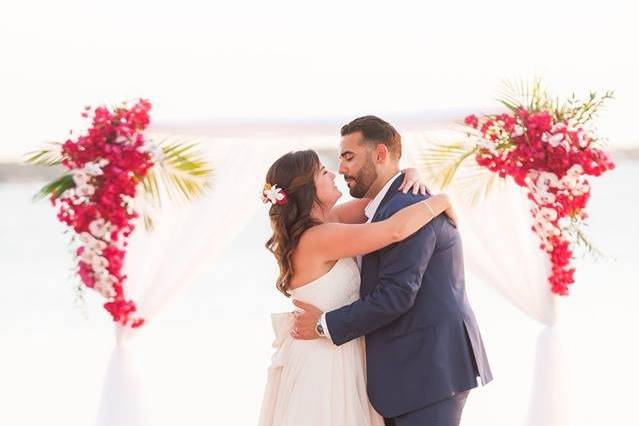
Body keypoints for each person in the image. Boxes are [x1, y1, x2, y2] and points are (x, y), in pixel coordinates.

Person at [291, 116, 493, 426]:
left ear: (381, 154)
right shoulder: (379, 210)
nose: (341, 168)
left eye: (348, 157)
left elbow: (397, 295)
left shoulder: (406, 206)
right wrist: (432, 193)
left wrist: (323, 326)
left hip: (428, 371)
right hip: (401, 374)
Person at [258, 146, 454, 426]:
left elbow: (383, 198)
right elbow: (395, 230)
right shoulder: (319, 237)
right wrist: (442, 200)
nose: (333, 173)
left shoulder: (328, 222)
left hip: (336, 349)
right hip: (325, 361)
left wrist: (411, 174)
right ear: (307, 189)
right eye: (322, 172)